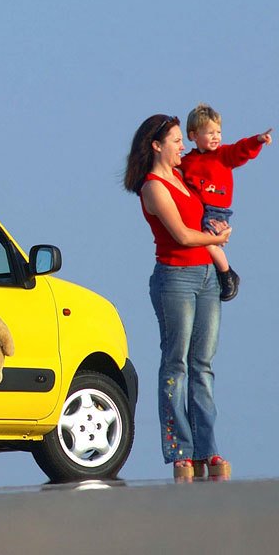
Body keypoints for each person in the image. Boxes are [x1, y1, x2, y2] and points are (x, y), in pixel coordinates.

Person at [123, 114, 233, 480]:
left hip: (206, 277)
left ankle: (208, 448)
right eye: (175, 140)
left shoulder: (184, 178)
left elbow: (203, 216)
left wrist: (217, 232)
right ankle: (180, 451)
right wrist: (216, 239)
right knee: (177, 365)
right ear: (156, 145)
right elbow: (183, 236)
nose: (181, 146)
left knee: (202, 364)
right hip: (176, 278)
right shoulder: (153, 187)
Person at [181, 103, 272, 301]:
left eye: (218, 132)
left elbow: (241, 150)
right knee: (195, 239)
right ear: (193, 136)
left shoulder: (223, 155)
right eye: (209, 132)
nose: (216, 137)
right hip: (199, 209)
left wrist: (257, 140)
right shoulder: (187, 161)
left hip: (216, 210)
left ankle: (227, 274)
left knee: (208, 240)